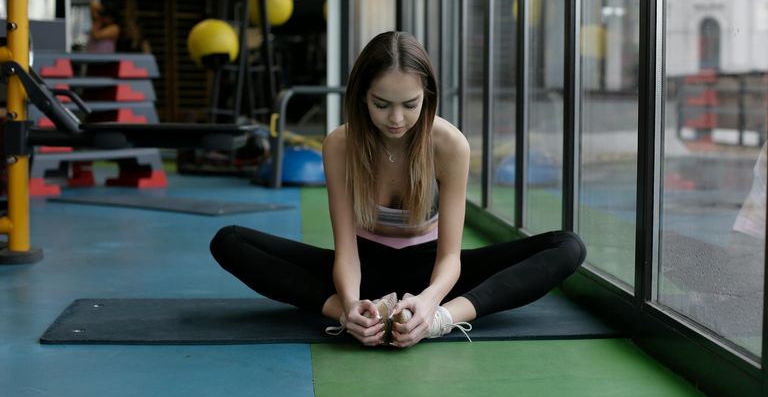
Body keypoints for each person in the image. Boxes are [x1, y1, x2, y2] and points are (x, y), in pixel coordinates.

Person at [210, 31, 586, 348]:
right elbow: (347, 251)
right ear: (362, 97)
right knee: (229, 240)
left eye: (410, 105)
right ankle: (351, 317)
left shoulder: (449, 145)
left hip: (432, 272)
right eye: (382, 104)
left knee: (567, 246)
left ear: (428, 97)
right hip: (362, 269)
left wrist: (432, 306)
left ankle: (440, 320)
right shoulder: (340, 145)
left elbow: (450, 257)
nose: (396, 118)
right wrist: (350, 305)